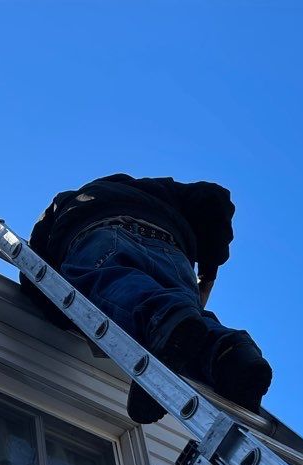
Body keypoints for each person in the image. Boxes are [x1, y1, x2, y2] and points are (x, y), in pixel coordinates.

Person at [25, 174, 272, 423]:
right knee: (185, 319)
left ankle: (166, 322)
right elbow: (214, 199)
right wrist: (208, 270)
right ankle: (231, 355)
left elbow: (34, 269)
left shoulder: (68, 202)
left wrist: (66, 318)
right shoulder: (161, 190)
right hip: (174, 255)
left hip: (101, 235)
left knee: (111, 282)